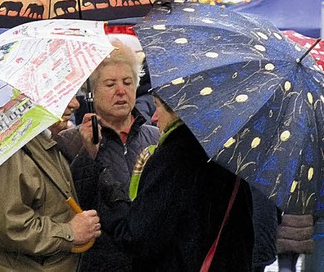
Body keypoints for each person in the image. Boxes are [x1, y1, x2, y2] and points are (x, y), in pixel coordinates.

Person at [96, 94, 255, 271]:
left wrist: (113, 199)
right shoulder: (232, 154)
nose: (154, 117)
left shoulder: (173, 157)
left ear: (180, 110)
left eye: (158, 106)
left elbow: (139, 238)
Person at [56, 37, 160, 272]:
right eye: (110, 84)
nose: (121, 91)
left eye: (128, 82)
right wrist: (88, 152)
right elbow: (70, 204)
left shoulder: (155, 138)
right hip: (97, 262)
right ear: (92, 92)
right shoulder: (68, 142)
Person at [0, 97, 101, 271]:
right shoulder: (9, 150)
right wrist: (69, 232)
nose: (75, 104)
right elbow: (5, 224)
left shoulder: (41, 143)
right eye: (65, 95)